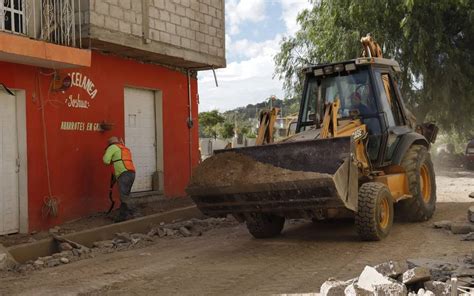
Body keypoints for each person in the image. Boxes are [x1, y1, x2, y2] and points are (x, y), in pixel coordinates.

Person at [103, 136, 136, 221]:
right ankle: (127, 213)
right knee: (126, 194)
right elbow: (121, 160)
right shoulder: (124, 148)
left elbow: (106, 160)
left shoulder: (112, 147)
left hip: (123, 173)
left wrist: (110, 159)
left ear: (110, 144)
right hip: (131, 172)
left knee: (123, 195)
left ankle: (126, 215)